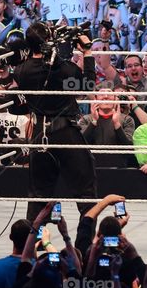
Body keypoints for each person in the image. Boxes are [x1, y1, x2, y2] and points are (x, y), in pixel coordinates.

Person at [12, 22, 97, 222]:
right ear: (49, 41)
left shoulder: (21, 71)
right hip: (66, 134)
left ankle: (35, 244)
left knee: (38, 194)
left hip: (40, 135)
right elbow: (88, 84)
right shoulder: (64, 69)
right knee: (85, 191)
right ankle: (85, 244)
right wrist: (87, 51)